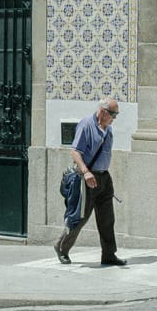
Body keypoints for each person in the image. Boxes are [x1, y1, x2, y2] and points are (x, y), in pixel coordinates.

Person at [54, 97, 126, 266]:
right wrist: (86, 172)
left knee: (107, 218)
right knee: (81, 217)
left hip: (104, 177)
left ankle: (109, 255)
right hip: (87, 178)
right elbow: (75, 152)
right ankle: (61, 247)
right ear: (103, 111)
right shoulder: (86, 125)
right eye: (113, 114)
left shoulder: (107, 129)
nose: (114, 118)